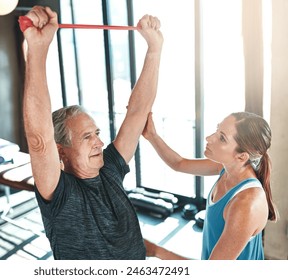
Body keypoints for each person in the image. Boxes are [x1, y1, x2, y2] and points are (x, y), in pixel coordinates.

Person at [20, 6, 163, 259]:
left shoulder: (110, 169)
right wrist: (38, 51)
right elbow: (40, 140)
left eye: (96, 133)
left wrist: (154, 49)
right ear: (60, 150)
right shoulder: (60, 192)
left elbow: (138, 112)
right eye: (87, 137)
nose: (99, 142)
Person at [142, 111, 278, 260]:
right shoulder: (225, 168)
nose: (209, 138)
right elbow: (179, 163)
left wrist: (156, 251)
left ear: (241, 156)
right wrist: (151, 135)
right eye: (217, 130)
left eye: (222, 138)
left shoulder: (246, 203)